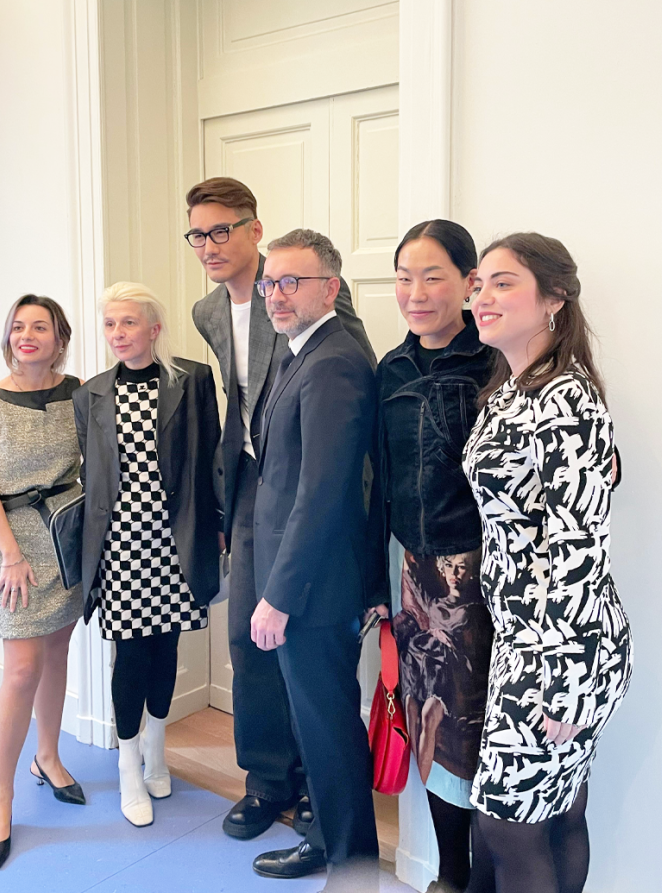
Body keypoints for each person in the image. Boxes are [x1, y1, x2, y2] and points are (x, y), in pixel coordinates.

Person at [186, 177, 375, 841]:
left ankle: (324, 795)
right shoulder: (207, 312)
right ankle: (269, 780)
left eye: (222, 230)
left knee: (304, 642)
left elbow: (345, 389)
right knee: (249, 637)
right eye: (197, 235)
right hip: (247, 485)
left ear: (254, 229)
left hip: (307, 482)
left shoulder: (307, 292)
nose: (209, 245)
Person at [462, 233, 633, 893]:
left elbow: (578, 544)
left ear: (554, 298)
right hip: (527, 638)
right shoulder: (514, 390)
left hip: (561, 648)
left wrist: (566, 681)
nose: (484, 296)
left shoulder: (566, 399)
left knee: (508, 828)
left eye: (504, 282)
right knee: (554, 812)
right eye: (480, 284)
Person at [248, 229, 385, 888]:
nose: (275, 295)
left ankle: (353, 870)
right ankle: (325, 841)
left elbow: (323, 492)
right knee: (314, 726)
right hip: (300, 578)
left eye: (290, 282)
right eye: (268, 283)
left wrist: (279, 595)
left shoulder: (334, 362)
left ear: (330, 288)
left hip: (314, 588)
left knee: (329, 731)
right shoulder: (300, 349)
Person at [374, 221, 495, 893]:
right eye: (404, 278)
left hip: (482, 578)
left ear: (469, 282)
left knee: (478, 730)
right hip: (413, 576)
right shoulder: (389, 369)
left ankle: (483, 874)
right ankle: (451, 874)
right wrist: (378, 580)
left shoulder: (495, 363)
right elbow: (376, 484)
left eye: (432, 277)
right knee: (428, 726)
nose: (415, 293)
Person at [73, 282, 221, 827]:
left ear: (154, 329)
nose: (118, 334)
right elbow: (93, 476)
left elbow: (211, 457)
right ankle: (128, 767)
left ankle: (157, 752)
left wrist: (218, 526)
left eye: (129, 323)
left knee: (166, 647)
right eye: (110, 324)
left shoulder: (192, 380)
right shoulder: (90, 395)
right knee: (131, 655)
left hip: (175, 539)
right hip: (120, 545)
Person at [0, 295, 85, 871]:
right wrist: (11, 555)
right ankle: (1, 796)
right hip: (13, 542)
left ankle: (48, 756)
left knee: (58, 650)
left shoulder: (78, 392)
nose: (27, 335)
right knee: (20, 669)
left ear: (60, 337)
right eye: (18, 326)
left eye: (40, 326)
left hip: (67, 532)